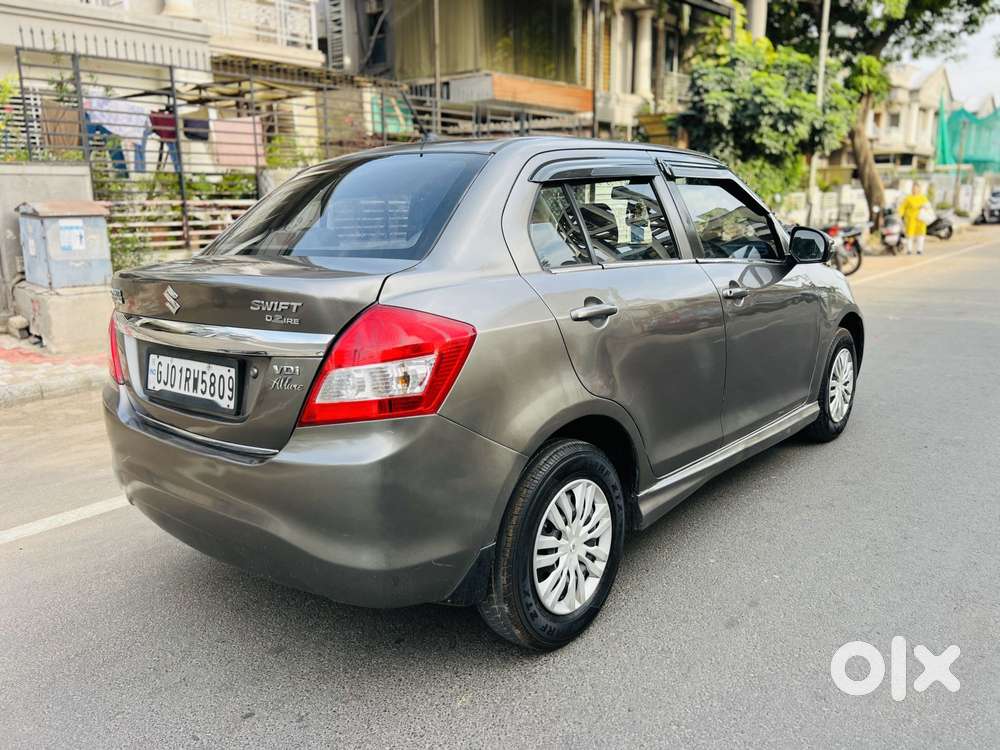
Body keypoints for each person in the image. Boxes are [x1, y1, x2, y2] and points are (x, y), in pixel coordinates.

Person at [899, 183, 930, 255]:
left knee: (921, 235)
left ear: (919, 189)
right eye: (913, 188)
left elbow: (928, 207)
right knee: (910, 235)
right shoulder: (908, 198)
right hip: (911, 220)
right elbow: (902, 207)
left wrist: (923, 206)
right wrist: (900, 214)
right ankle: (909, 250)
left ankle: (919, 250)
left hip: (921, 219)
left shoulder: (923, 198)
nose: (915, 190)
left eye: (916, 188)